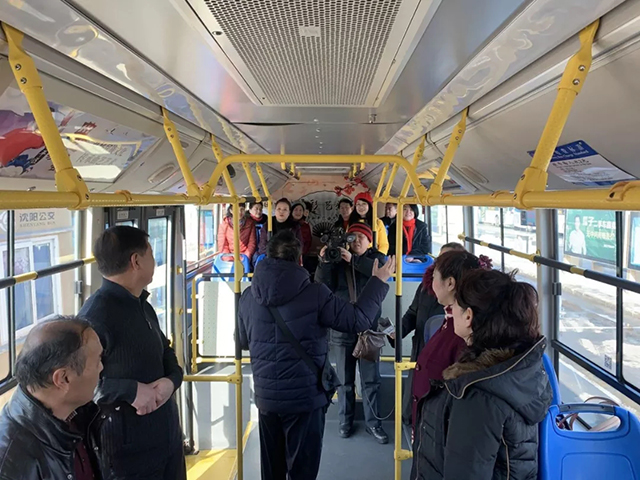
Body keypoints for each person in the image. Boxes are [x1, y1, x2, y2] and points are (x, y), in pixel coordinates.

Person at [238, 230, 395, 480]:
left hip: (267, 399)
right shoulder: (315, 294)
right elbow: (358, 319)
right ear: (300, 259)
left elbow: (242, 342)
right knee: (302, 471)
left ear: (267, 256)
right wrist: (378, 281)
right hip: (305, 399)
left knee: (271, 471)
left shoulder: (248, 296)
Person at [411, 269, 552, 480]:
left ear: (468, 316)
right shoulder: (518, 372)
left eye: (455, 304)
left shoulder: (478, 397)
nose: (451, 309)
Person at [79, 225, 185, 480]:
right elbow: (77, 384)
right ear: (136, 261)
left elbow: (165, 351)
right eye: (151, 254)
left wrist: (172, 381)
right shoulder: (95, 317)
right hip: (126, 453)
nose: (155, 261)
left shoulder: (142, 305)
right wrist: (130, 390)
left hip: (166, 438)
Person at [0, 316, 103, 480]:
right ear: (63, 378)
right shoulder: (9, 467)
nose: (101, 368)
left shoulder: (78, 413)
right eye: (97, 361)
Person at [315, 222, 388, 443]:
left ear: (370, 241)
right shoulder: (339, 259)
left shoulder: (377, 259)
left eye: (361, 237)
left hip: (369, 330)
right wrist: (324, 262)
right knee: (344, 381)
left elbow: (378, 273)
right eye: (352, 237)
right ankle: (345, 421)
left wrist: (353, 261)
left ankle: (373, 424)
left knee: (370, 380)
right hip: (343, 329)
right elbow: (321, 284)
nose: (356, 241)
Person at [409, 250, 489, 426]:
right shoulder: (450, 322)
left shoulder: (462, 332)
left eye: (434, 277)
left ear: (450, 283)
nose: (431, 283)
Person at [393, 242, 465, 425]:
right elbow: (412, 313)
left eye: (446, 260)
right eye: (439, 259)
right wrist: (397, 333)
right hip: (421, 351)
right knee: (413, 398)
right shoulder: (426, 286)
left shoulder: (463, 303)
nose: (439, 264)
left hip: (445, 361)